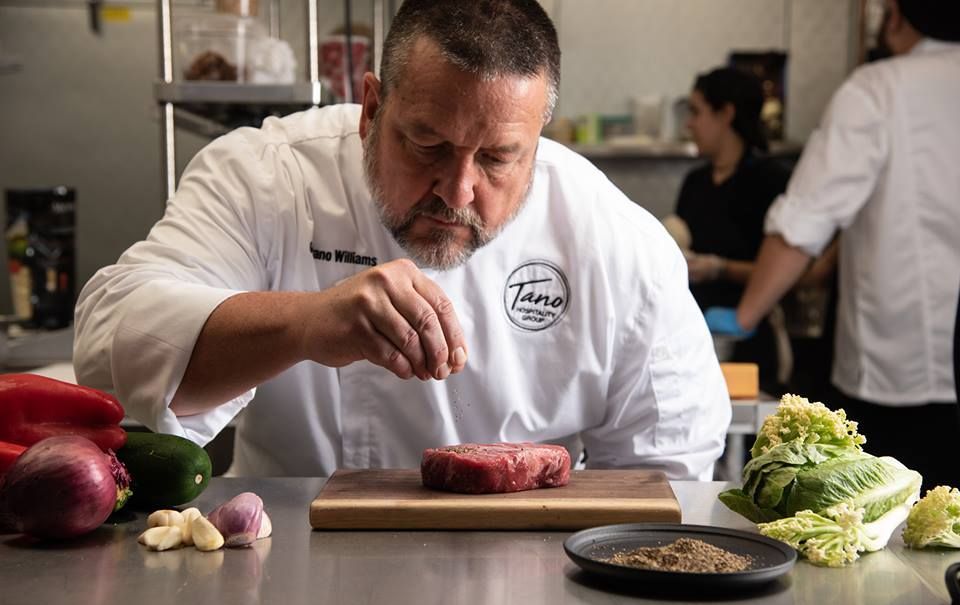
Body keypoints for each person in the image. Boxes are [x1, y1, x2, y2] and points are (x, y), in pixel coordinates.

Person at [73, 0, 730, 479]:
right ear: (371, 108)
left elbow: (668, 459)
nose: (457, 190)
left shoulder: (611, 239)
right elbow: (113, 345)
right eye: (427, 145)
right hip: (288, 574)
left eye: (499, 158)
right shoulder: (268, 177)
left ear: (538, 142)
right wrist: (306, 322)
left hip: (521, 589)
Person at [709, 0, 960, 489]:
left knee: (893, 522)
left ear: (896, 17)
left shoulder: (881, 89)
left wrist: (744, 316)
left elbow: (803, 222)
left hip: (900, 370)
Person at [674, 67, 791, 393]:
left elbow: (792, 269)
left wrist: (720, 269)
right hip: (697, 336)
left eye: (696, 112)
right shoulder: (694, 183)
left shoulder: (771, 181)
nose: (689, 124)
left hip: (751, 338)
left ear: (726, 113)